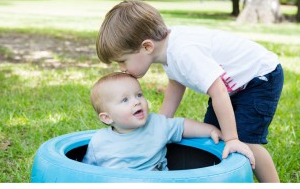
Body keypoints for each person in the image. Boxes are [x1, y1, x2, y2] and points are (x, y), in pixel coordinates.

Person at [96, 1, 283, 182]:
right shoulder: (167, 51)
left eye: (122, 61)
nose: (121, 68)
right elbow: (176, 83)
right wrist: (162, 122)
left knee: (244, 140)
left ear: (147, 47)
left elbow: (218, 91)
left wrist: (233, 138)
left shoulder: (184, 52)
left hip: (259, 77)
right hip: (234, 86)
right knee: (214, 136)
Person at [82, 72, 222, 170]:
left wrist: (210, 129)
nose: (136, 102)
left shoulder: (156, 124)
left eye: (139, 95)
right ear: (107, 117)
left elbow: (182, 126)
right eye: (125, 100)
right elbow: (86, 171)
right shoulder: (100, 141)